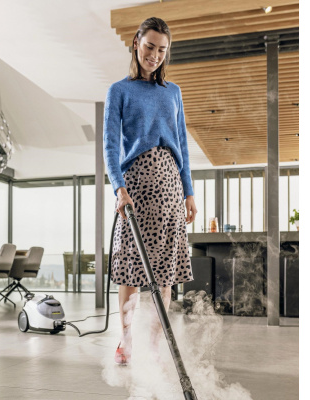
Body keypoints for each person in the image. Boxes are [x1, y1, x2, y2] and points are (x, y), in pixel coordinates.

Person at [104, 17, 197, 366]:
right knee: (131, 266)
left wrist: (189, 192)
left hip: (171, 185)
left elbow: (182, 144)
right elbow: (110, 145)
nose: (154, 55)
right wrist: (119, 188)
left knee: (165, 272)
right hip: (136, 188)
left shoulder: (173, 92)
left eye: (161, 50)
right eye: (149, 47)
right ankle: (127, 342)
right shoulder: (119, 91)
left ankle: (155, 347)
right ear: (136, 44)